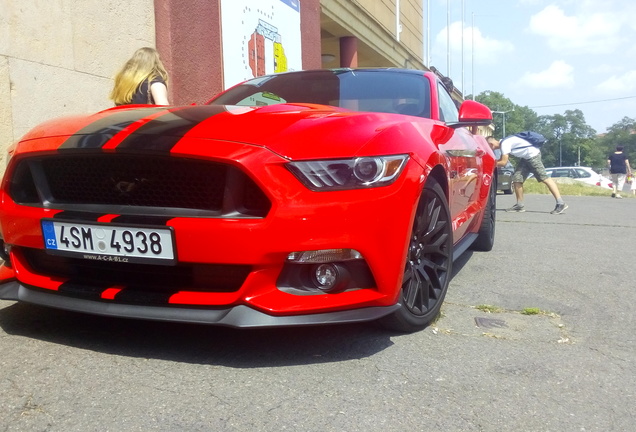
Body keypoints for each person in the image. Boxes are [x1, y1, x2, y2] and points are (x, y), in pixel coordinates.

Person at [487, 134, 568, 214]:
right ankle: (519, 205)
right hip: (526, 158)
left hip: (532, 156)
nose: (490, 150)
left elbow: (503, 162)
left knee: (545, 178)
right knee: (517, 178)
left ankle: (561, 203)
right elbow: (500, 161)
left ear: (491, 145)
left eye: (489, 148)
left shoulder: (505, 144)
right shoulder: (504, 142)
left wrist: (488, 163)